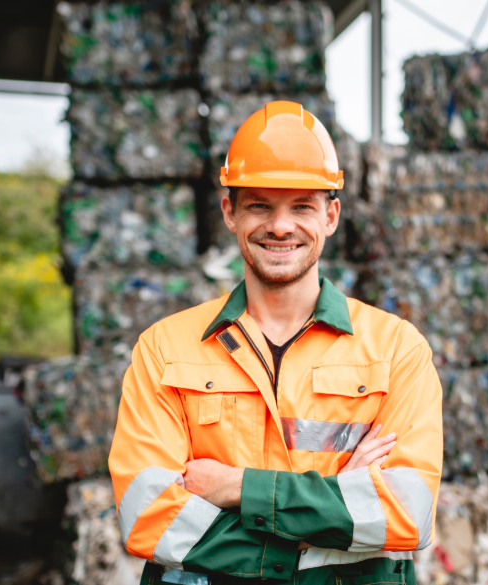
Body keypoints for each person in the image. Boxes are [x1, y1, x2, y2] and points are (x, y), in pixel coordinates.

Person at [108, 100, 443, 585]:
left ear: (331, 216)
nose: (280, 226)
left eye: (302, 206)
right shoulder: (164, 349)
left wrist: (233, 487)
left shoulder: (396, 350)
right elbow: (148, 517)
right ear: (230, 212)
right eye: (260, 204)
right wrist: (338, 497)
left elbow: (407, 514)